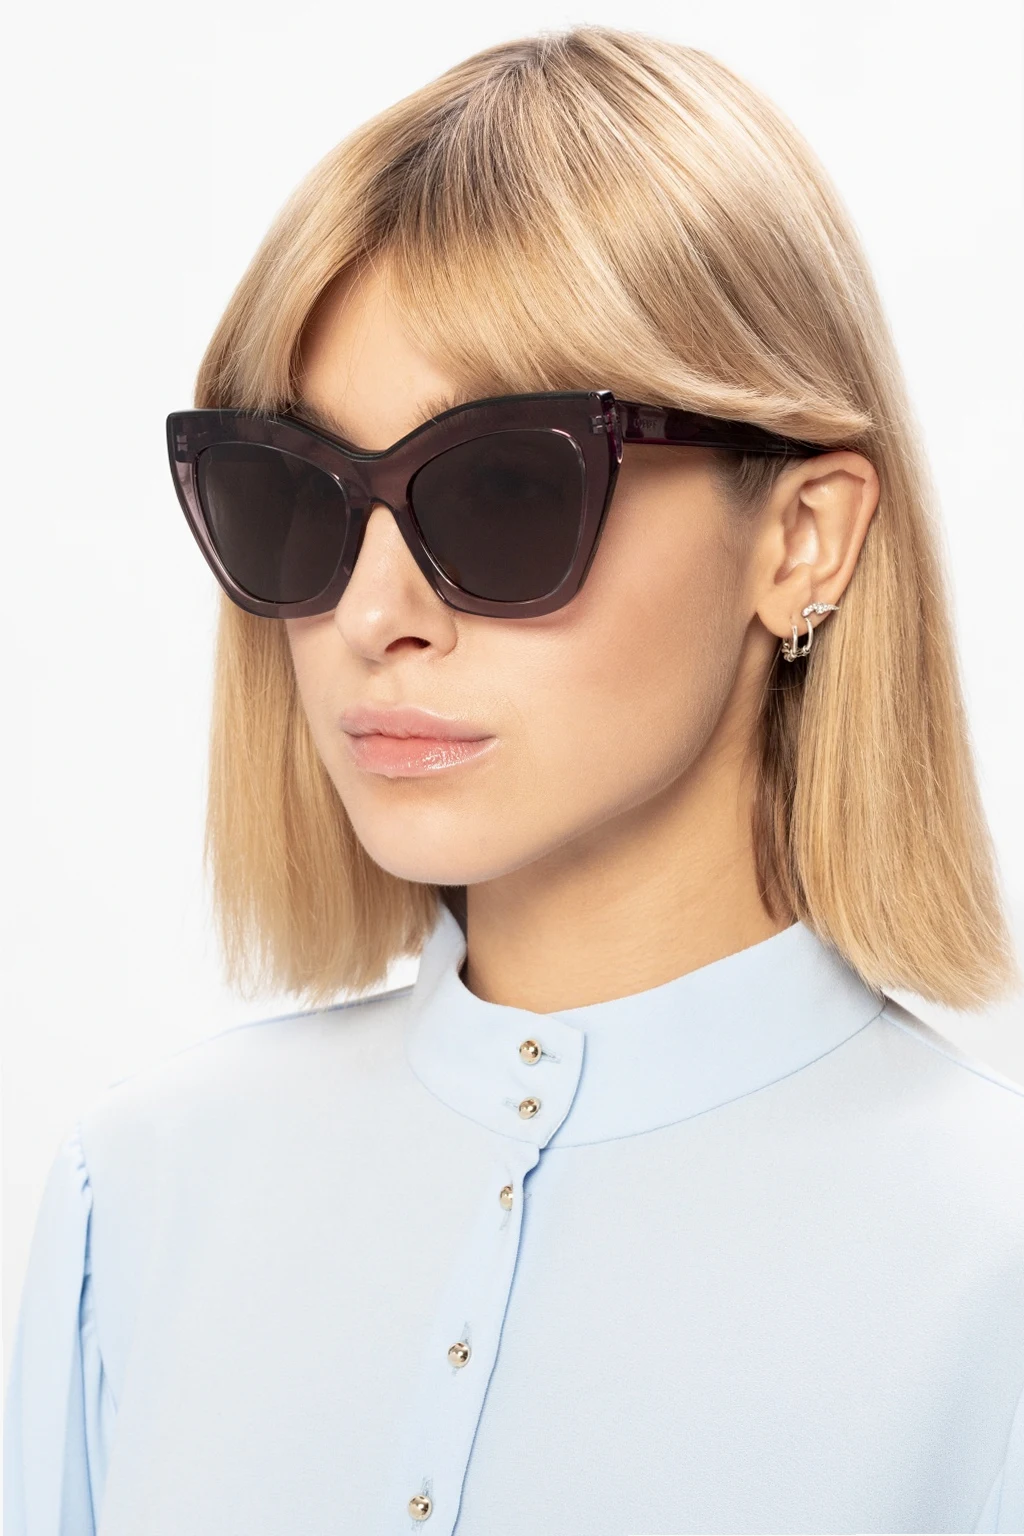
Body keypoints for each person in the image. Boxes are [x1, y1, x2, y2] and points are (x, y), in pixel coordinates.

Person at [5, 24, 1023, 1536]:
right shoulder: (144, 1202)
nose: (374, 614)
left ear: (801, 537)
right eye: (297, 495)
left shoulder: (992, 1274)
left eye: (503, 486)